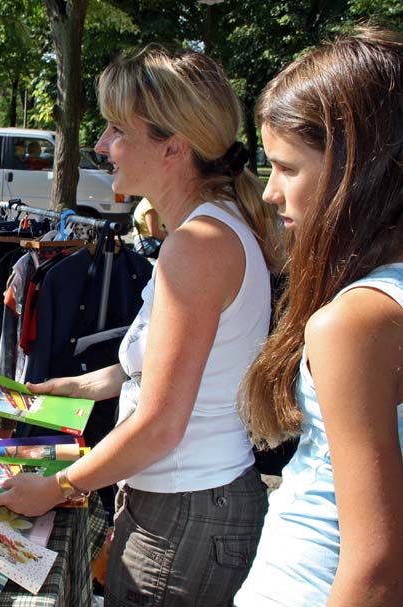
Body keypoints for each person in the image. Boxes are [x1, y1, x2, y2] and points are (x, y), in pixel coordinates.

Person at [0, 46, 282, 606]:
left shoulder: (198, 246)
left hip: (188, 513)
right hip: (183, 504)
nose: (101, 145)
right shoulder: (202, 232)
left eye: (117, 129)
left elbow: (160, 426)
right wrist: (79, 386)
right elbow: (165, 370)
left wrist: (54, 489)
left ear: (173, 145)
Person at [235, 28, 403, 607]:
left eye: (287, 168)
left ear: (353, 170)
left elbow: (376, 568)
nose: (271, 193)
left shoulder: (354, 323)